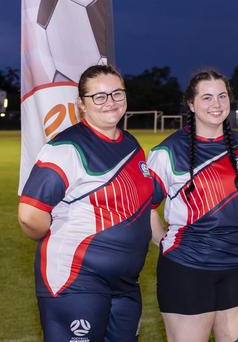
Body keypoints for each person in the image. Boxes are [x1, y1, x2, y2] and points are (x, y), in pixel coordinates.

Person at [18, 65, 152, 341]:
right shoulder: (67, 148)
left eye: (117, 93)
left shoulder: (131, 145)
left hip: (126, 285)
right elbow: (30, 216)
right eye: (99, 96)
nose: (110, 102)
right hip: (76, 281)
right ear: (81, 104)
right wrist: (59, 238)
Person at [147, 70, 238, 341]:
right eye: (207, 97)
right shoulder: (167, 152)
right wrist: (161, 240)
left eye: (222, 96)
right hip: (186, 266)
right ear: (191, 104)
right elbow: (146, 207)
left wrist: (228, 213)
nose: (216, 104)